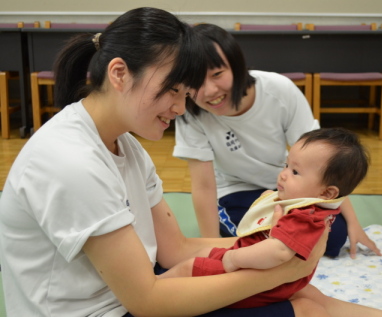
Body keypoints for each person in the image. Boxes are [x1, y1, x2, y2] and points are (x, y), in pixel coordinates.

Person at [0, 7, 329, 317]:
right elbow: (147, 301)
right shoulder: (71, 162)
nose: (181, 108)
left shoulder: (124, 144)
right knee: (304, 307)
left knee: (307, 297)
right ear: (119, 74)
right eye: (172, 90)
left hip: (129, 292)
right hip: (105, 309)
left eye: (185, 94)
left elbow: (176, 248)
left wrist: (277, 245)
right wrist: (285, 269)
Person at [173, 23, 381, 259]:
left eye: (217, 74)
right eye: (195, 82)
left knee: (334, 239)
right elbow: (203, 186)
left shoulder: (280, 90)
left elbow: (325, 164)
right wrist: (210, 246)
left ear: (236, 65)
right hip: (236, 191)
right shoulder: (190, 112)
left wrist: (353, 223)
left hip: (289, 186)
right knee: (254, 240)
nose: (209, 90)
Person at [163, 128, 382, 316]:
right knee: (205, 251)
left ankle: (154, 288)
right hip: (270, 275)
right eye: (287, 165)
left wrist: (233, 258)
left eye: (295, 172)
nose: (284, 174)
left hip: (259, 279)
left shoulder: (303, 216)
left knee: (189, 267)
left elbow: (277, 252)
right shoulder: (310, 208)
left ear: (327, 194)